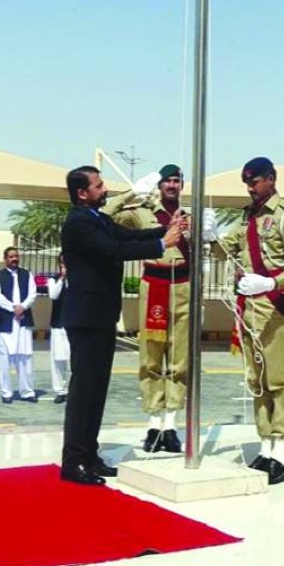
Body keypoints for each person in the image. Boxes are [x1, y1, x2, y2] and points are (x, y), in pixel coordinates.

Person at [59, 165, 186, 486]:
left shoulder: (98, 218)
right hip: (87, 317)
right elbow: (114, 250)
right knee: (84, 391)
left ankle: (89, 454)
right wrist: (162, 244)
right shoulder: (79, 222)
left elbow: (128, 235)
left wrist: (166, 230)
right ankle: (73, 461)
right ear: (82, 193)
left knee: (97, 390)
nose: (104, 189)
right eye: (98, 185)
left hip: (101, 315)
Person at [208, 157, 284, 485]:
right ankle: (266, 444)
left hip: (274, 305)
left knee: (279, 379)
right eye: (247, 183)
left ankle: (282, 450)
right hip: (248, 306)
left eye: (255, 182)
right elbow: (225, 251)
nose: (250, 188)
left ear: (271, 179)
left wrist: (271, 282)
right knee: (257, 379)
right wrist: (212, 236)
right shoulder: (247, 216)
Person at [107, 164, 190, 453]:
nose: (172, 185)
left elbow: (214, 249)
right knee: (151, 358)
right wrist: (131, 193)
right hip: (154, 284)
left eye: (177, 180)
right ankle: (154, 424)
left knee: (179, 359)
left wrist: (207, 233)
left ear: (182, 185)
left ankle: (171, 425)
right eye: (167, 180)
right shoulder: (142, 212)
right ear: (159, 185)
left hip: (182, 287)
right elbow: (106, 217)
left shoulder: (190, 217)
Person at [0, 245, 38, 403]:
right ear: (5, 259)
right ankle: (6, 393)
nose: (14, 259)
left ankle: (27, 392)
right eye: (11, 257)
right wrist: (13, 308)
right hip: (4, 324)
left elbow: (32, 294)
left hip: (23, 321)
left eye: (16, 256)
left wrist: (22, 307)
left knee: (24, 358)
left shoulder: (27, 274)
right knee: (4, 359)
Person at [46, 254, 71, 405]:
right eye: (62, 262)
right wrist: (62, 278)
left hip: (74, 324)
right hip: (58, 324)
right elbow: (53, 295)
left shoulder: (78, 279)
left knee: (75, 359)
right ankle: (61, 391)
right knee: (58, 360)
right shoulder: (53, 279)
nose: (64, 264)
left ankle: (75, 390)